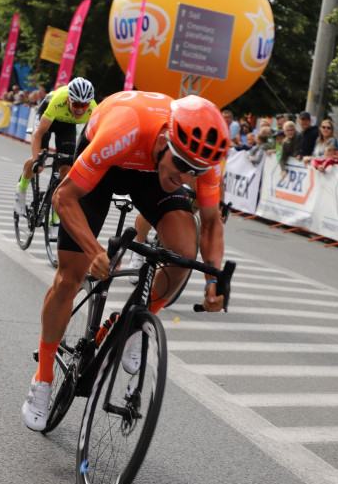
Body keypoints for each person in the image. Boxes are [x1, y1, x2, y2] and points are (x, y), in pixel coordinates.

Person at [21, 92, 230, 429]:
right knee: (69, 279)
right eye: (182, 166)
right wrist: (94, 252)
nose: (187, 177)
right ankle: (43, 378)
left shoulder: (197, 157)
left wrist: (213, 280)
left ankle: (135, 325)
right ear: (165, 140)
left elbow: (209, 223)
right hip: (108, 164)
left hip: (149, 174)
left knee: (182, 255)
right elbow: (63, 197)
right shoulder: (125, 128)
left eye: (195, 171)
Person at [14, 77, 96, 216]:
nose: (80, 110)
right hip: (48, 120)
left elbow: (94, 141)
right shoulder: (58, 101)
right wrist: (36, 160)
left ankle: (56, 220)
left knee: (66, 171)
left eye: (84, 106)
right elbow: (38, 133)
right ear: (69, 100)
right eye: (76, 104)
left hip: (67, 126)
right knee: (39, 162)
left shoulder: (94, 109)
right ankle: (21, 190)